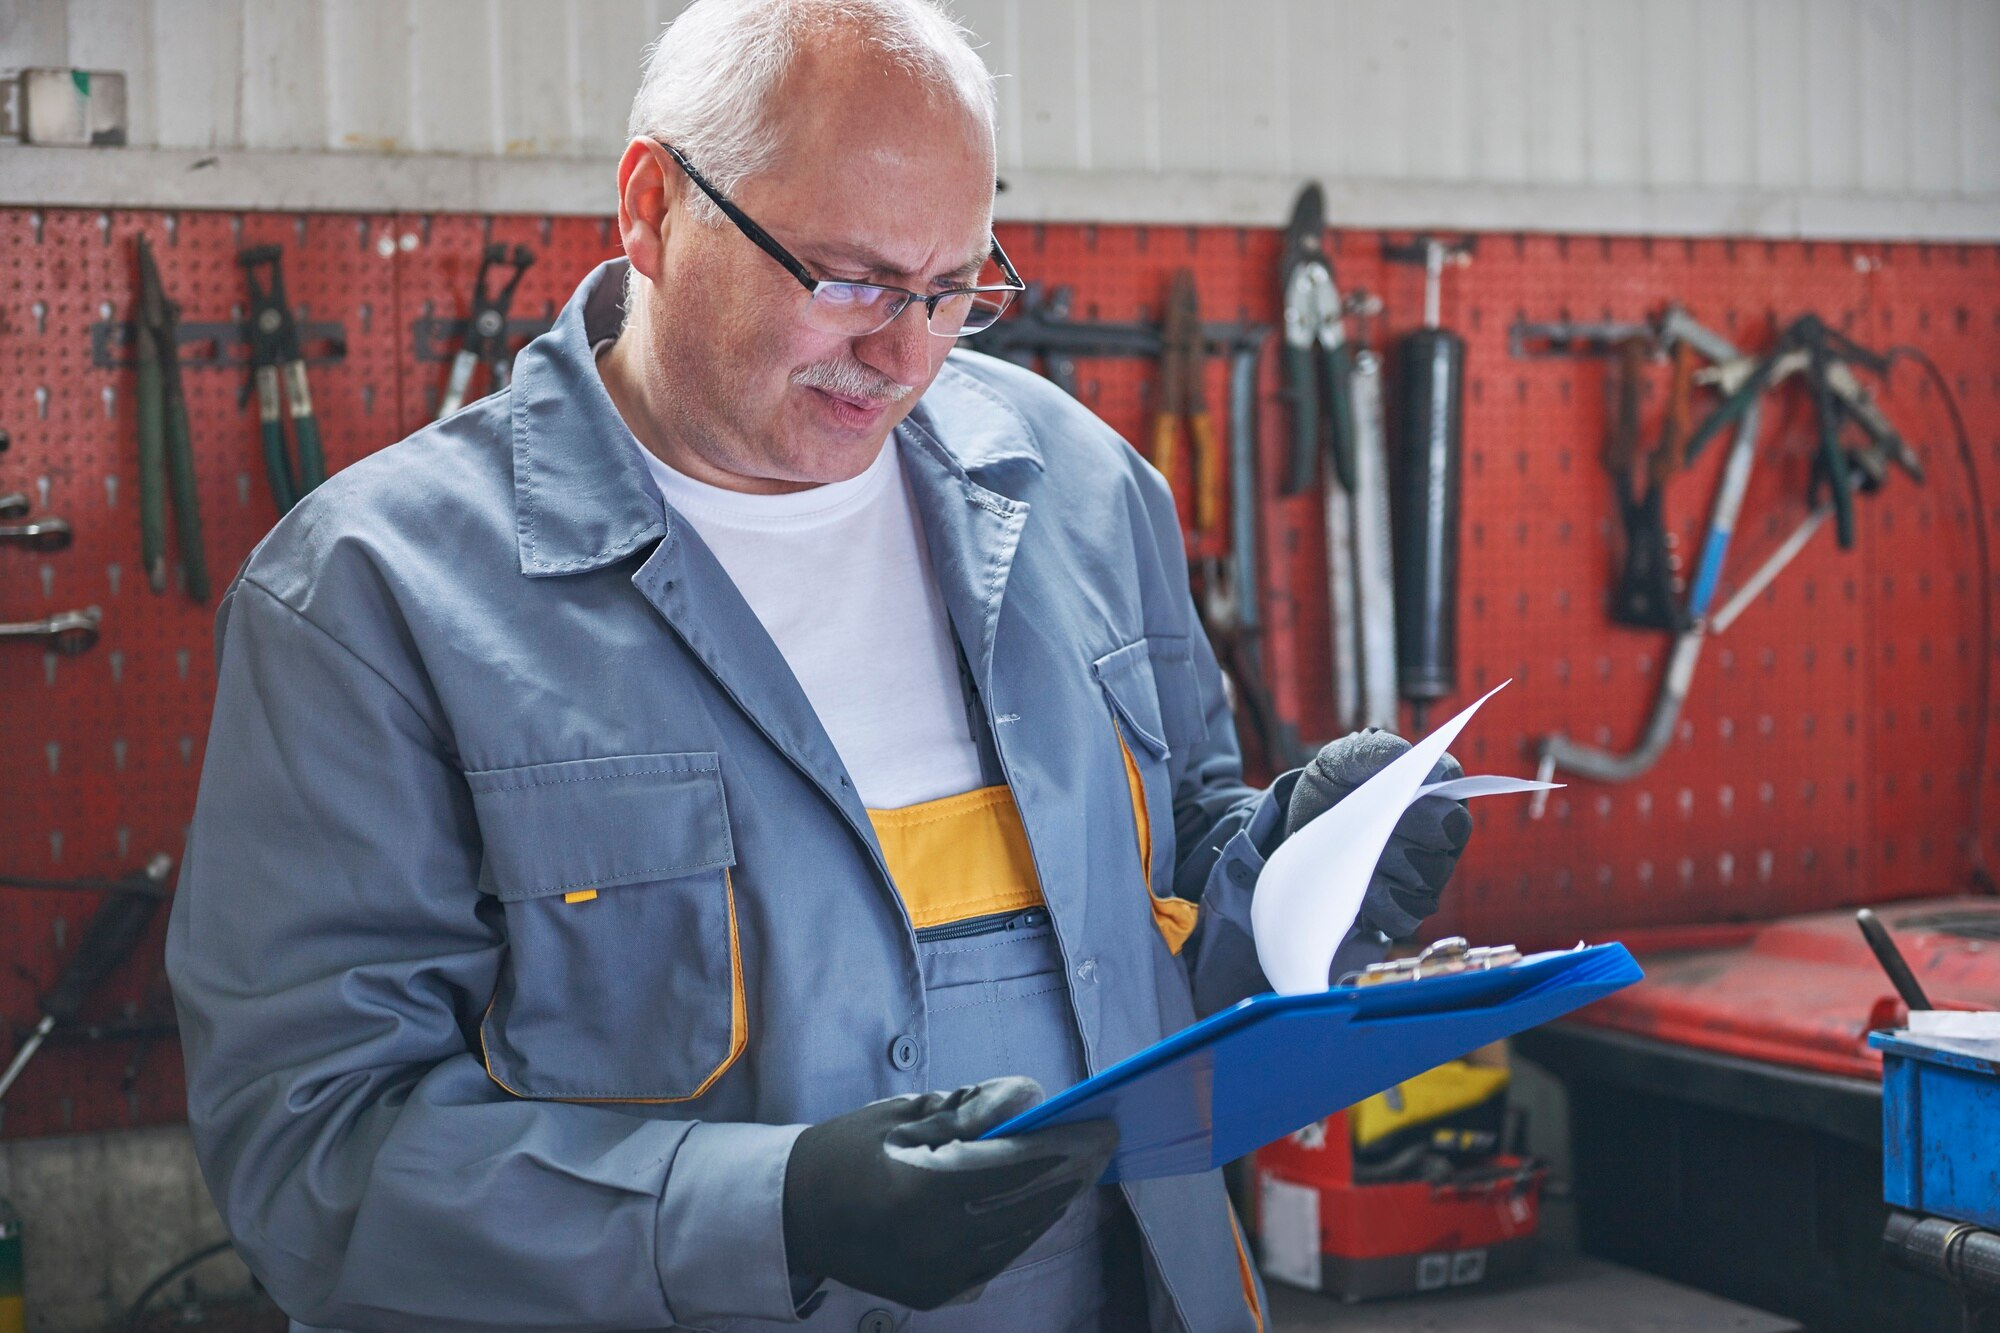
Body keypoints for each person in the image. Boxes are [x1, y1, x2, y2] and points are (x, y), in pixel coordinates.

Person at [166, 2, 1472, 1329]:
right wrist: (769, 1211)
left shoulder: (1079, 491)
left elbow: (1161, 933)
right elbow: (312, 1158)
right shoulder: (371, 598)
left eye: (953, 289)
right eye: (848, 280)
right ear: (652, 207)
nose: (903, 354)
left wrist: (1300, 870)